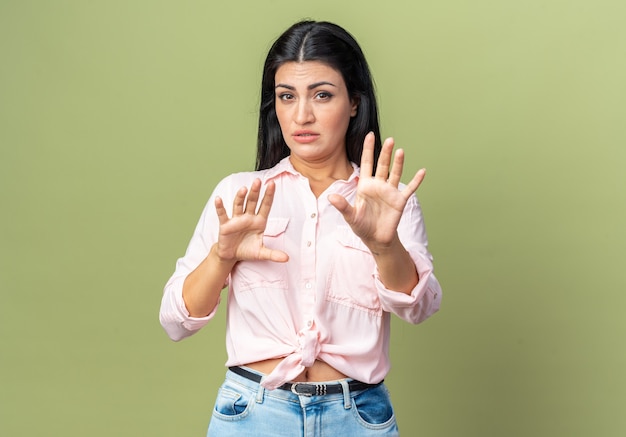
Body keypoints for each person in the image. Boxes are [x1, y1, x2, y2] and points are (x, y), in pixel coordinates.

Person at [159, 20, 442, 436]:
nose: (302, 115)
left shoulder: (386, 199)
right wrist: (223, 256)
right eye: (286, 97)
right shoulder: (242, 194)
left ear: (354, 102)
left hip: (358, 417)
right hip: (253, 416)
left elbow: (419, 308)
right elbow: (175, 322)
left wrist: (384, 247)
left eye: (322, 95)